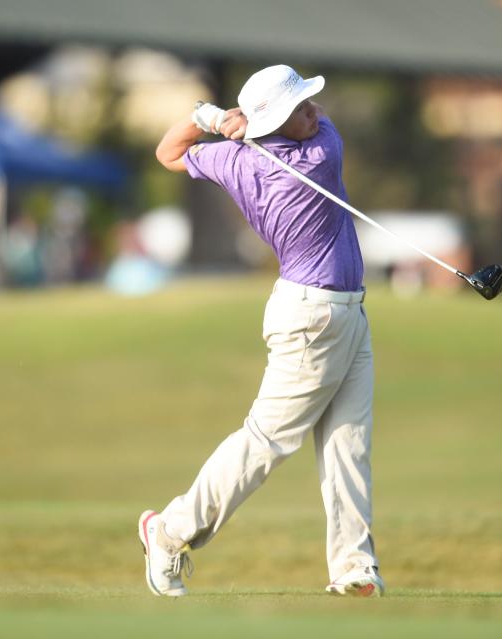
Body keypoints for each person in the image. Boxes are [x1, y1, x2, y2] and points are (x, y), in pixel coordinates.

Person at [142, 64, 383, 598]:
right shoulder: (323, 153)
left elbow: (169, 152)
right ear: (278, 121)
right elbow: (319, 124)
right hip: (313, 319)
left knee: (349, 443)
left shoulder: (235, 159)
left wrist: (204, 118)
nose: (312, 111)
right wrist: (238, 121)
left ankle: (353, 568)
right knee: (268, 442)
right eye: (300, 108)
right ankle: (169, 531)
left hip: (340, 312)